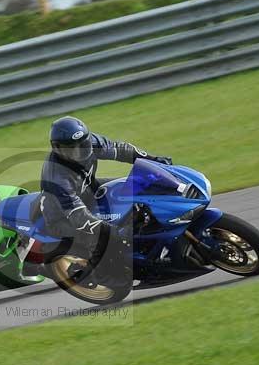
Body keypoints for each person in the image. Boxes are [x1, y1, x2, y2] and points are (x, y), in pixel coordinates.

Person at [38, 116, 172, 280]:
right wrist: (110, 230)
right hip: (61, 217)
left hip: (88, 189)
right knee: (105, 238)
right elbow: (78, 216)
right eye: (72, 149)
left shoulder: (90, 142)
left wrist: (152, 159)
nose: (79, 152)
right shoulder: (57, 178)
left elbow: (120, 150)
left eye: (83, 145)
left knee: (130, 185)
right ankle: (97, 273)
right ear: (57, 148)